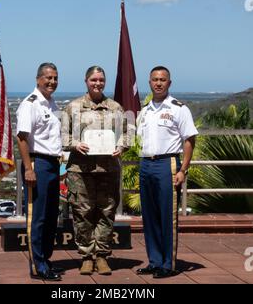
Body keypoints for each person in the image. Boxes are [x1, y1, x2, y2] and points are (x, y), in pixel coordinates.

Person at [61, 66, 127, 275]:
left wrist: (122, 146)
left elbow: (127, 133)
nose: (97, 83)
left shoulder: (116, 107)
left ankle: (102, 256)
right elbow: (63, 137)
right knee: (82, 213)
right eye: (93, 80)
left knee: (106, 213)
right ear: (86, 81)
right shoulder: (73, 107)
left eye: (101, 80)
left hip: (108, 170)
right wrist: (75, 144)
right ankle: (86, 256)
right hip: (81, 170)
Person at [136, 66, 198, 278]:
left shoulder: (179, 108)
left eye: (163, 80)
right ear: (150, 82)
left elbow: (189, 139)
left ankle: (167, 263)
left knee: (167, 216)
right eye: (155, 79)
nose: (158, 83)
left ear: (169, 83)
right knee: (150, 215)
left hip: (167, 164)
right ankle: (154, 260)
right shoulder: (145, 111)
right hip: (145, 164)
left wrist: (183, 169)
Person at [16, 62, 64, 281]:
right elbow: (22, 139)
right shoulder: (30, 104)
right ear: (38, 79)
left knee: (52, 217)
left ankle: (45, 259)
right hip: (37, 164)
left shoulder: (52, 104)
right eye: (48, 78)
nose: (52, 82)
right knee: (38, 217)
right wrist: (28, 168)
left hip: (53, 164)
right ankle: (38, 266)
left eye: (55, 78)